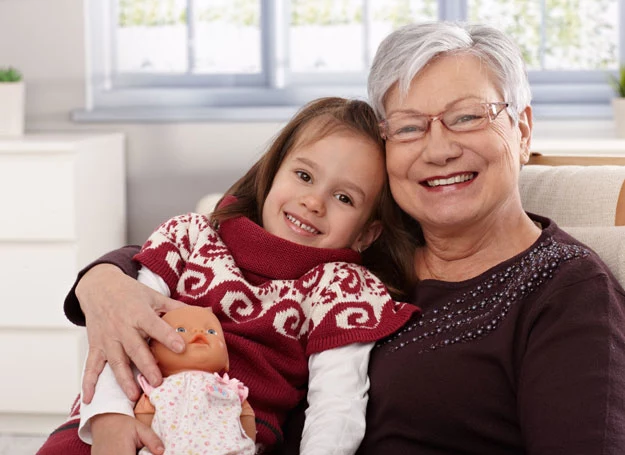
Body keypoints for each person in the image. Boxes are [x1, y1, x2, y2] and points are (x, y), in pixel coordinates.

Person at [39, 20, 625, 454]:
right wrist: (104, 281)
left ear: (522, 128)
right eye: (410, 126)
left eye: (468, 116)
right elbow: (216, 237)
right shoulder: (358, 247)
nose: (439, 147)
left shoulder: (566, 291)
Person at [37, 96, 420, 455]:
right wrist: (109, 415)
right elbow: (122, 333)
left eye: (344, 198)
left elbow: (337, 404)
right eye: (304, 175)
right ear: (272, 172)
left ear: (367, 233)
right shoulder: (190, 235)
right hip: (116, 415)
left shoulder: (344, 289)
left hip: (221, 439)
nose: (314, 202)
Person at [134, 306, 256, 455]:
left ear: (226, 360)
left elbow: (245, 416)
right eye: (181, 330)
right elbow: (144, 417)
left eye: (211, 332)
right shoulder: (159, 388)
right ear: (152, 356)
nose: (199, 333)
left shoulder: (229, 388)